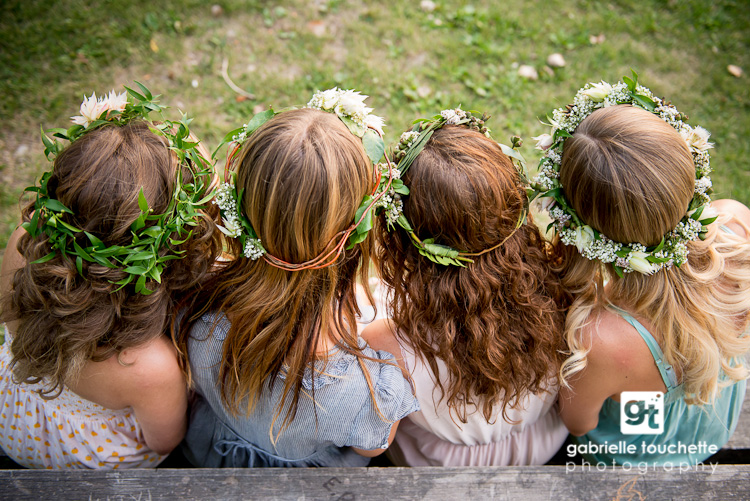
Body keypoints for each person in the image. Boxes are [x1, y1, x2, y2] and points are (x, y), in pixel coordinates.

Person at [175, 88, 418, 468]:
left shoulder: (194, 308)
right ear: (354, 232)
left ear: (242, 206)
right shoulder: (363, 389)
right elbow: (373, 447)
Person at [0, 87, 221, 469]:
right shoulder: (147, 365)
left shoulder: (24, 241)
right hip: (91, 460)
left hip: (14, 418)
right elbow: (165, 440)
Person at [535, 76, 750, 465]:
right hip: (711, 423)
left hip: (641, 452)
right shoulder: (737, 225)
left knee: (639, 397)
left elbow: (579, 423)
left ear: (580, 224)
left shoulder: (604, 338)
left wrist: (635, 382)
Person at [362, 109, 571, 466]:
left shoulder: (387, 340)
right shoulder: (562, 287)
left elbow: (372, 443)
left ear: (404, 239)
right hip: (542, 443)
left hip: (442, 468)